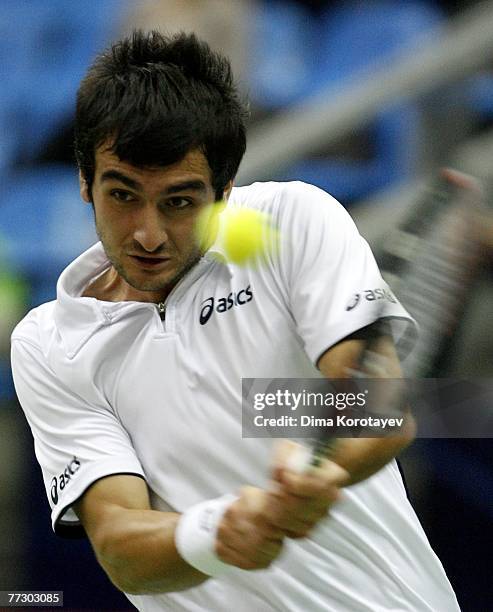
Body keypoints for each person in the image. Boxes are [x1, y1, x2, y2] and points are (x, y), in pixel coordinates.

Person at [11, 31, 460, 611]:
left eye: (178, 201)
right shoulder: (48, 343)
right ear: (84, 182)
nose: (148, 234)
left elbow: (379, 409)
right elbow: (120, 546)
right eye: (123, 195)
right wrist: (215, 532)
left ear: (224, 191)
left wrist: (320, 473)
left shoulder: (292, 219)